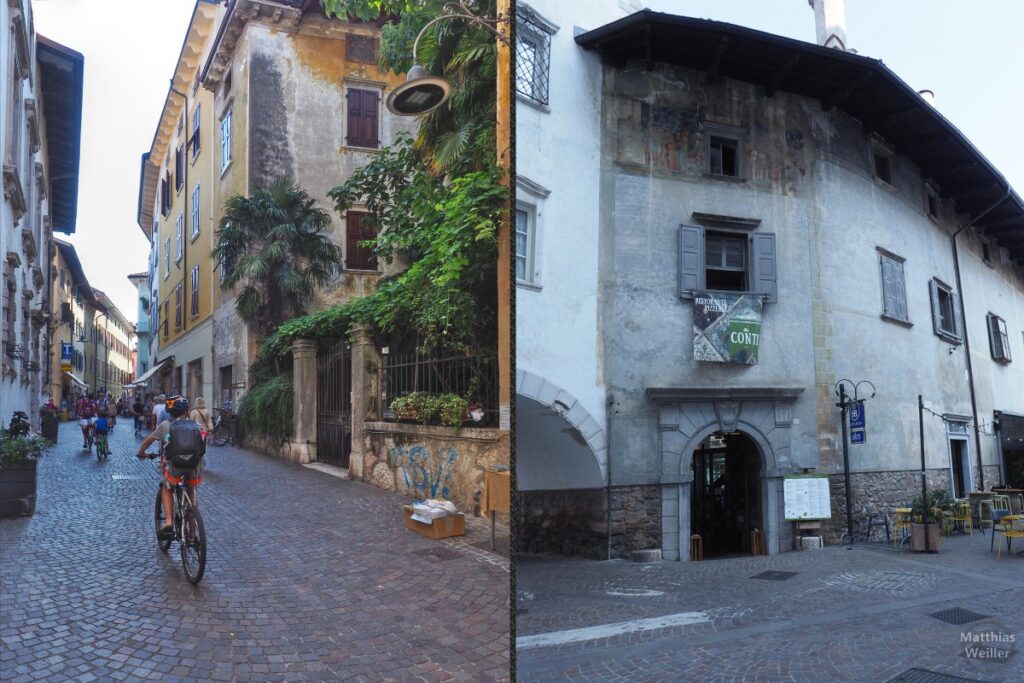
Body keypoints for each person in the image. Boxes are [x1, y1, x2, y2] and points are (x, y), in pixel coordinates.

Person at [136, 396, 204, 540]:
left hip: (175, 467)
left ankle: (168, 521)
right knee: (191, 496)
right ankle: (192, 535)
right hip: (194, 467)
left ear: (170, 411)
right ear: (186, 411)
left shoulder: (165, 425)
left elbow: (149, 440)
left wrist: (141, 453)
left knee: (166, 487)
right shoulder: (197, 425)